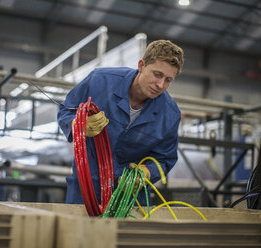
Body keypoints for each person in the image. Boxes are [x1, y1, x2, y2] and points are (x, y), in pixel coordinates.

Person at [57, 40, 184, 205]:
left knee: (126, 232)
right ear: (141, 65)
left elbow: (165, 158)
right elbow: (66, 110)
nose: (160, 85)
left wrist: (147, 172)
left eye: (168, 80)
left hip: (130, 195)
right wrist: (78, 124)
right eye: (157, 74)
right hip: (87, 187)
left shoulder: (170, 114)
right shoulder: (100, 81)